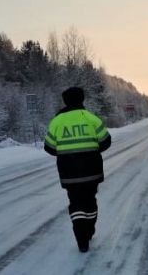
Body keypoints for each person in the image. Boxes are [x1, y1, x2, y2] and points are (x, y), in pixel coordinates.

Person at [44, 87, 112, 253]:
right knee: (90, 200)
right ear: (82, 99)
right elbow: (105, 142)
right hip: (91, 170)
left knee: (75, 202)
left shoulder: (57, 121)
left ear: (65, 101)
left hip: (69, 173)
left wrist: (65, 153)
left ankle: (81, 238)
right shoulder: (91, 118)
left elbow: (49, 147)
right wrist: (91, 152)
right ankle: (89, 230)